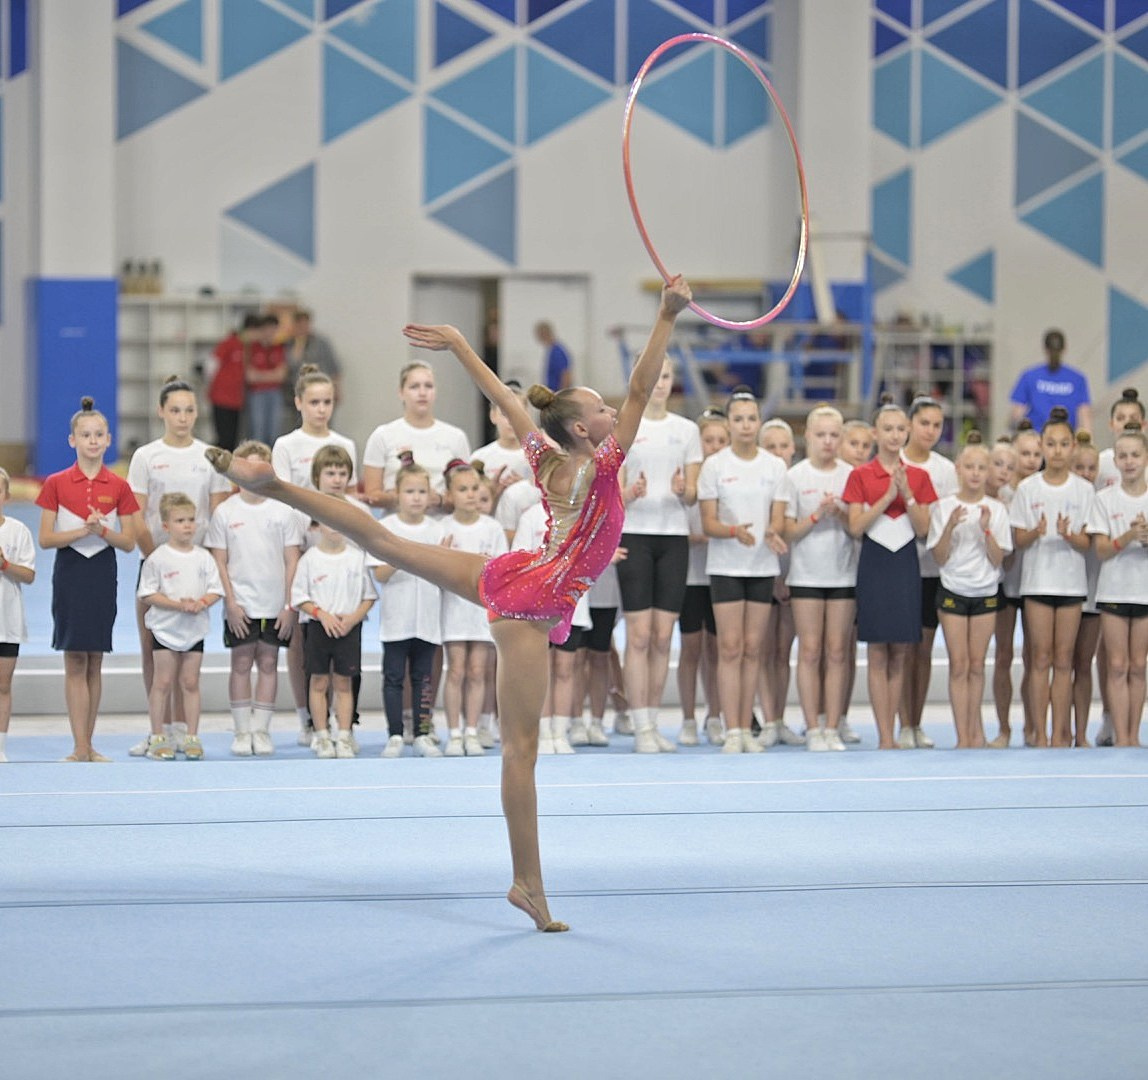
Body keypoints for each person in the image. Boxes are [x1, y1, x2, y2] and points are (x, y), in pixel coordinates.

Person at [207, 275, 692, 932]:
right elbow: (640, 388)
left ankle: (273, 486)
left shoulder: (550, 459)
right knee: (521, 750)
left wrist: (462, 344)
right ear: (585, 429)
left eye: (610, 411)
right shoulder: (598, 465)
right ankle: (527, 884)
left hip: (513, 573)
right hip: (534, 599)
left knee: (382, 537)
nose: (614, 415)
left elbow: (504, 398)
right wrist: (664, 316)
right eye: (602, 413)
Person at [127, 376, 232, 757]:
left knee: (187, 655)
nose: (183, 417)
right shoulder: (146, 456)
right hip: (155, 562)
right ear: (161, 412)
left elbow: (218, 513)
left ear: (197, 412)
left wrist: (207, 563)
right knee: (152, 649)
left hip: (196, 566)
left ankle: (180, 730)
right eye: (175, 410)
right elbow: (136, 514)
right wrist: (156, 557)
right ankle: (160, 732)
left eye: (189, 410)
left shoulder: (209, 456)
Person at [36, 398, 142, 762]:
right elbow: (46, 539)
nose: (93, 441)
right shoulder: (56, 483)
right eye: (86, 435)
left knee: (95, 659)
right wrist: (82, 529)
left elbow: (128, 543)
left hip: (101, 571)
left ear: (109, 439)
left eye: (99, 435)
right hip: (70, 571)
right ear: (72, 441)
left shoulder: (119, 486)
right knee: (74, 659)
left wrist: (104, 530)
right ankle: (78, 745)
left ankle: (89, 743)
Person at [841, 397, 937, 750]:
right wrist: (886, 497)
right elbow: (855, 526)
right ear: (875, 433)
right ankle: (883, 735)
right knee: (878, 650)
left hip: (905, 563)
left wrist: (908, 494)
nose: (895, 436)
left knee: (901, 650)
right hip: (875, 563)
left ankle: (897, 730)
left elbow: (926, 528)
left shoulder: (920, 476)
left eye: (900, 429)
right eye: (888, 429)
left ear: (907, 432)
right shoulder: (860, 475)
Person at [616, 357, 701, 754]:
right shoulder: (624, 426)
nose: (660, 383)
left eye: (666, 376)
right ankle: (639, 726)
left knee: (664, 637)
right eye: (654, 376)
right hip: (635, 534)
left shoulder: (686, 430)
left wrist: (685, 490)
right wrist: (629, 494)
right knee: (639, 635)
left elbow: (694, 494)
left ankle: (652, 722)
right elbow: (610, 493)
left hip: (672, 536)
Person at [697, 387, 788, 754]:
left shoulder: (774, 466)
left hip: (761, 567)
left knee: (753, 649)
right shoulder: (715, 466)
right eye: (739, 419)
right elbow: (708, 523)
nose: (746, 425)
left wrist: (772, 533)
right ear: (729, 423)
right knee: (730, 648)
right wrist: (734, 531)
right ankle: (731, 727)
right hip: (726, 566)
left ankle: (747, 726)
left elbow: (778, 519)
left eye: (752, 418)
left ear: (759, 422)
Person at [272, 366, 359, 743]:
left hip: (338, 551)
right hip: (301, 544)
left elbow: (348, 500)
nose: (321, 409)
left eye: (327, 402)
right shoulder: (286, 445)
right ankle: (306, 716)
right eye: (314, 402)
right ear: (298, 403)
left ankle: (345, 721)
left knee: (343, 635)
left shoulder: (345, 444)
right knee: (301, 640)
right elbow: (281, 496)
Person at [205, 440, 303, 757]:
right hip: (241, 603)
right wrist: (229, 603)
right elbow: (219, 560)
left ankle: (261, 730)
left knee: (269, 662)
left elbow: (292, 561)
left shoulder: (283, 511)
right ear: (237, 472)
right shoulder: (225, 512)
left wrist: (290, 606)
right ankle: (241, 730)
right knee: (242, 662)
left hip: (275, 603)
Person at [1009, 407, 1095, 747]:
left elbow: (1088, 543)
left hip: (1072, 584)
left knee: (1064, 660)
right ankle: (1039, 733)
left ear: (1073, 446)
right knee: (1040, 659)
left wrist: (1069, 535)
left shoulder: (1084, 491)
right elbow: (1018, 540)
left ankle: (1062, 732)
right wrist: (1037, 532)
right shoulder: (1028, 489)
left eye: (1063, 444)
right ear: (1042, 446)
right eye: (1051, 444)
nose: (1057, 451)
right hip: (1037, 583)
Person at [779, 406, 857, 752]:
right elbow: (788, 532)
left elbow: (858, 528)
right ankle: (812, 726)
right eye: (821, 435)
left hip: (843, 573)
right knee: (810, 650)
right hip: (807, 573)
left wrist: (839, 512)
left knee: (838, 651)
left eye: (833, 436)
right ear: (808, 436)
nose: (827, 442)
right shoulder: (795, 477)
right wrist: (817, 514)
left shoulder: (851, 475)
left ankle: (832, 723)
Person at [927, 434, 1011, 749]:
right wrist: (949, 526)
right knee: (959, 664)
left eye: (981, 468)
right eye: (970, 467)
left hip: (985, 590)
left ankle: (976, 732)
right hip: (953, 589)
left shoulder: (997, 510)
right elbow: (939, 557)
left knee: (977, 665)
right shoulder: (944, 507)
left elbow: (998, 557)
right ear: (959, 470)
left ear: (988, 472)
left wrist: (987, 528)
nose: (975, 473)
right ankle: (963, 735)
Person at [136, 493, 224, 760]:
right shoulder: (158, 558)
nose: (187, 525)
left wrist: (201, 603)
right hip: (165, 630)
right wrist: (177, 605)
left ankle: (191, 736)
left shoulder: (203, 558)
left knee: (190, 682)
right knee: (162, 682)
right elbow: (147, 593)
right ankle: (158, 735)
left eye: (190, 520)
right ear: (165, 526)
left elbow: (215, 590)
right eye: (180, 520)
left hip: (193, 631)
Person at [374, 457, 445, 758]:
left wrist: (441, 557)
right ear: (397, 494)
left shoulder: (438, 530)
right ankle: (394, 733)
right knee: (393, 677)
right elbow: (379, 574)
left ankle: (423, 732)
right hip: (396, 619)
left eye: (421, 492)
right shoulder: (385, 528)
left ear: (430, 496)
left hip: (427, 619)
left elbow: (445, 574)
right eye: (409, 492)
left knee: (423, 678)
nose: (415, 498)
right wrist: (401, 556)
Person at [899, 396, 958, 749]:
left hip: (932, 569)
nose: (931, 431)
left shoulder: (945, 470)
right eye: (925, 424)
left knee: (922, 649)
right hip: (899, 565)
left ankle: (915, 722)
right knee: (899, 650)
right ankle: (900, 722)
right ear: (910, 425)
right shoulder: (897, 463)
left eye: (937, 425)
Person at [291, 519, 376, 759]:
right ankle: (321, 734)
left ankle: (345, 735)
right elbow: (299, 597)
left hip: (348, 629)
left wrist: (352, 619)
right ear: (316, 527)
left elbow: (369, 596)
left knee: (343, 684)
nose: (335, 526)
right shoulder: (309, 559)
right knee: (318, 682)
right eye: (327, 521)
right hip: (319, 628)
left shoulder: (357, 558)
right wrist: (322, 615)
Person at [439, 459, 507, 757]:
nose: (469, 494)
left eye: (474, 488)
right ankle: (454, 732)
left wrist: (486, 565)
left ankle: (472, 730)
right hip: (454, 608)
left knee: (478, 671)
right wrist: (446, 557)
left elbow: (505, 570)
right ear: (450, 495)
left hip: (481, 611)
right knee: (456, 670)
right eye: (462, 489)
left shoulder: (492, 528)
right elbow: (435, 570)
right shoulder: (441, 528)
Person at [1088, 422, 1148, 748]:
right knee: (1116, 664)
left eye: (1135, 455)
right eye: (1122, 456)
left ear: (1146, 458)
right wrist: (1127, 537)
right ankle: (1120, 735)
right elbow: (1099, 550)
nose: (1129, 461)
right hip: (1113, 590)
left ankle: (1134, 735)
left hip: (1143, 590)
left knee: (1138, 666)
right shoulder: (1105, 499)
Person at [990, 422, 1042, 748]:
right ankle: (1004, 728)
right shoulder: (1002, 494)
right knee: (1004, 655)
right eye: (1025, 453)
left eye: (1037, 453)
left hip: (1036, 581)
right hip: (1006, 583)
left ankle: (1032, 727)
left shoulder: (1043, 490)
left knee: (1034, 657)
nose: (1032, 459)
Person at [678, 410, 728, 746]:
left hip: (722, 574)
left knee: (717, 650)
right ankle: (688, 717)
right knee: (691, 648)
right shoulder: (688, 484)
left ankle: (715, 714)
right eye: (708, 441)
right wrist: (697, 538)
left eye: (720, 441)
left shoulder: (730, 478)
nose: (714, 447)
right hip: (692, 576)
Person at [361, 361, 471, 511]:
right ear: (401, 392)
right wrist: (403, 496)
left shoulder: (456, 437)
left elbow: (467, 493)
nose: (422, 393)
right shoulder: (382, 435)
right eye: (414, 387)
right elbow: (372, 495)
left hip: (441, 525)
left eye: (428, 386)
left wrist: (438, 500)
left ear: (435, 391)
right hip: (396, 525)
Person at [757, 418, 803, 747]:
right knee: (761, 650)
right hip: (761, 571)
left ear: (793, 450)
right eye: (770, 447)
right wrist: (772, 576)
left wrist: (787, 577)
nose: (777, 453)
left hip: (793, 574)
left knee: (782, 653)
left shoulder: (799, 482)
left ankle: (780, 717)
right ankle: (768, 717)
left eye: (782, 447)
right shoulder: (759, 482)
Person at [0, 468, 36, 763]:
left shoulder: (18, 531)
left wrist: (4, 564)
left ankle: (0, 745)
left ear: (6, 496)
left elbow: (28, 575)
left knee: (3, 684)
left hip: (7, 621)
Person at [1069, 433, 1102, 747]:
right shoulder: (1067, 496)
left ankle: (1080, 733)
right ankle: (1056, 731)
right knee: (1061, 662)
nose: (1086, 474)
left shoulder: (1103, 501)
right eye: (1080, 467)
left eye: (1091, 468)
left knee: (1083, 662)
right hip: (1064, 589)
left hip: (1092, 591)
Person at [1009, 329, 1093, 434]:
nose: (1054, 355)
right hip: (1037, 437)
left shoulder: (1077, 379)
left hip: (1065, 437)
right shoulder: (1030, 376)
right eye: (1052, 351)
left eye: (1056, 351)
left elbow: (1084, 415)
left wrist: (1087, 441)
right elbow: (1017, 413)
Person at [208, 313, 261, 451]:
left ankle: (228, 469)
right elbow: (212, 365)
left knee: (232, 439)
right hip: (221, 398)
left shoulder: (248, 347)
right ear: (250, 330)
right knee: (224, 438)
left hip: (236, 400)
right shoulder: (229, 342)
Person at [285, 309, 342, 415]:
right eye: (299, 325)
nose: (303, 328)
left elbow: (334, 367)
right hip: (296, 394)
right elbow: (290, 366)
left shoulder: (321, 343)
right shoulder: (288, 344)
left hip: (321, 392)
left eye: (305, 324)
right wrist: (298, 345)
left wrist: (337, 389)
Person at [245, 314, 287, 446]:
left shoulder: (279, 348)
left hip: (275, 393)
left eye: (274, 329)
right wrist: (271, 375)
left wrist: (261, 375)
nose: (270, 333)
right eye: (267, 329)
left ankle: (272, 463)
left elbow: (281, 375)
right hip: (257, 394)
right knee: (258, 430)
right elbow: (250, 377)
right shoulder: (252, 348)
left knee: (274, 431)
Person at [535, 320, 572, 391]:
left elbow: (566, 375)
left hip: (556, 392)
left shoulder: (557, 352)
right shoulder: (551, 351)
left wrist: (562, 395)